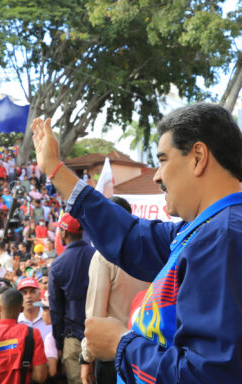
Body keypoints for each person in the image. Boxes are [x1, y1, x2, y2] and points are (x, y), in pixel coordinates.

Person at [30, 103, 242, 383]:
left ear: (198, 157)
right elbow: (130, 236)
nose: (156, 175)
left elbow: (208, 375)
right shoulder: (204, 230)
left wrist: (121, 344)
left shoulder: (222, 237)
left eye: (163, 160)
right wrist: (56, 169)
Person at [80, 197, 150, 384]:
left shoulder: (103, 256)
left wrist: (86, 357)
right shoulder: (149, 251)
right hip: (145, 352)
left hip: (114, 353)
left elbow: (95, 315)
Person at [48, 212, 95, 384]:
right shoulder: (97, 256)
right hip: (99, 336)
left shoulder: (58, 265)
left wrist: (59, 344)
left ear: (64, 233)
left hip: (73, 339)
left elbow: (55, 309)